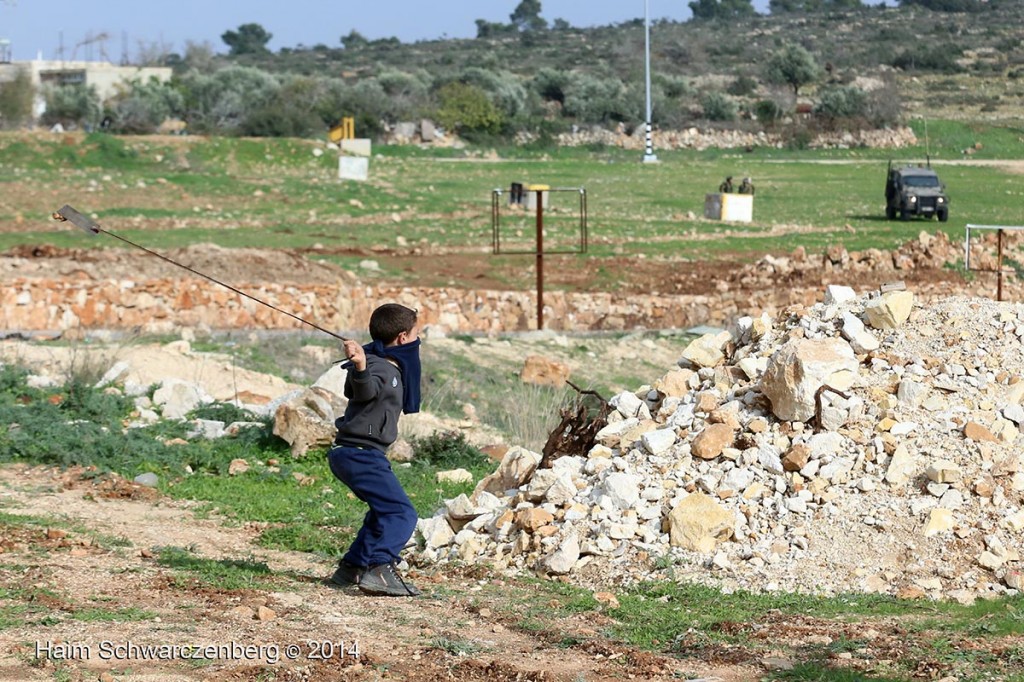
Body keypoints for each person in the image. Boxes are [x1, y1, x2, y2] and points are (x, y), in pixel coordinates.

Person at [327, 303, 423, 597]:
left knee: (383, 512)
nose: (420, 341)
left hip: (359, 453)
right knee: (401, 513)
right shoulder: (378, 365)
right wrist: (359, 367)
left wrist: (363, 363)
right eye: (417, 334)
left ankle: (352, 568)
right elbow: (365, 390)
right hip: (359, 453)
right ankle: (380, 568)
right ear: (404, 337)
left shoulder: (386, 363)